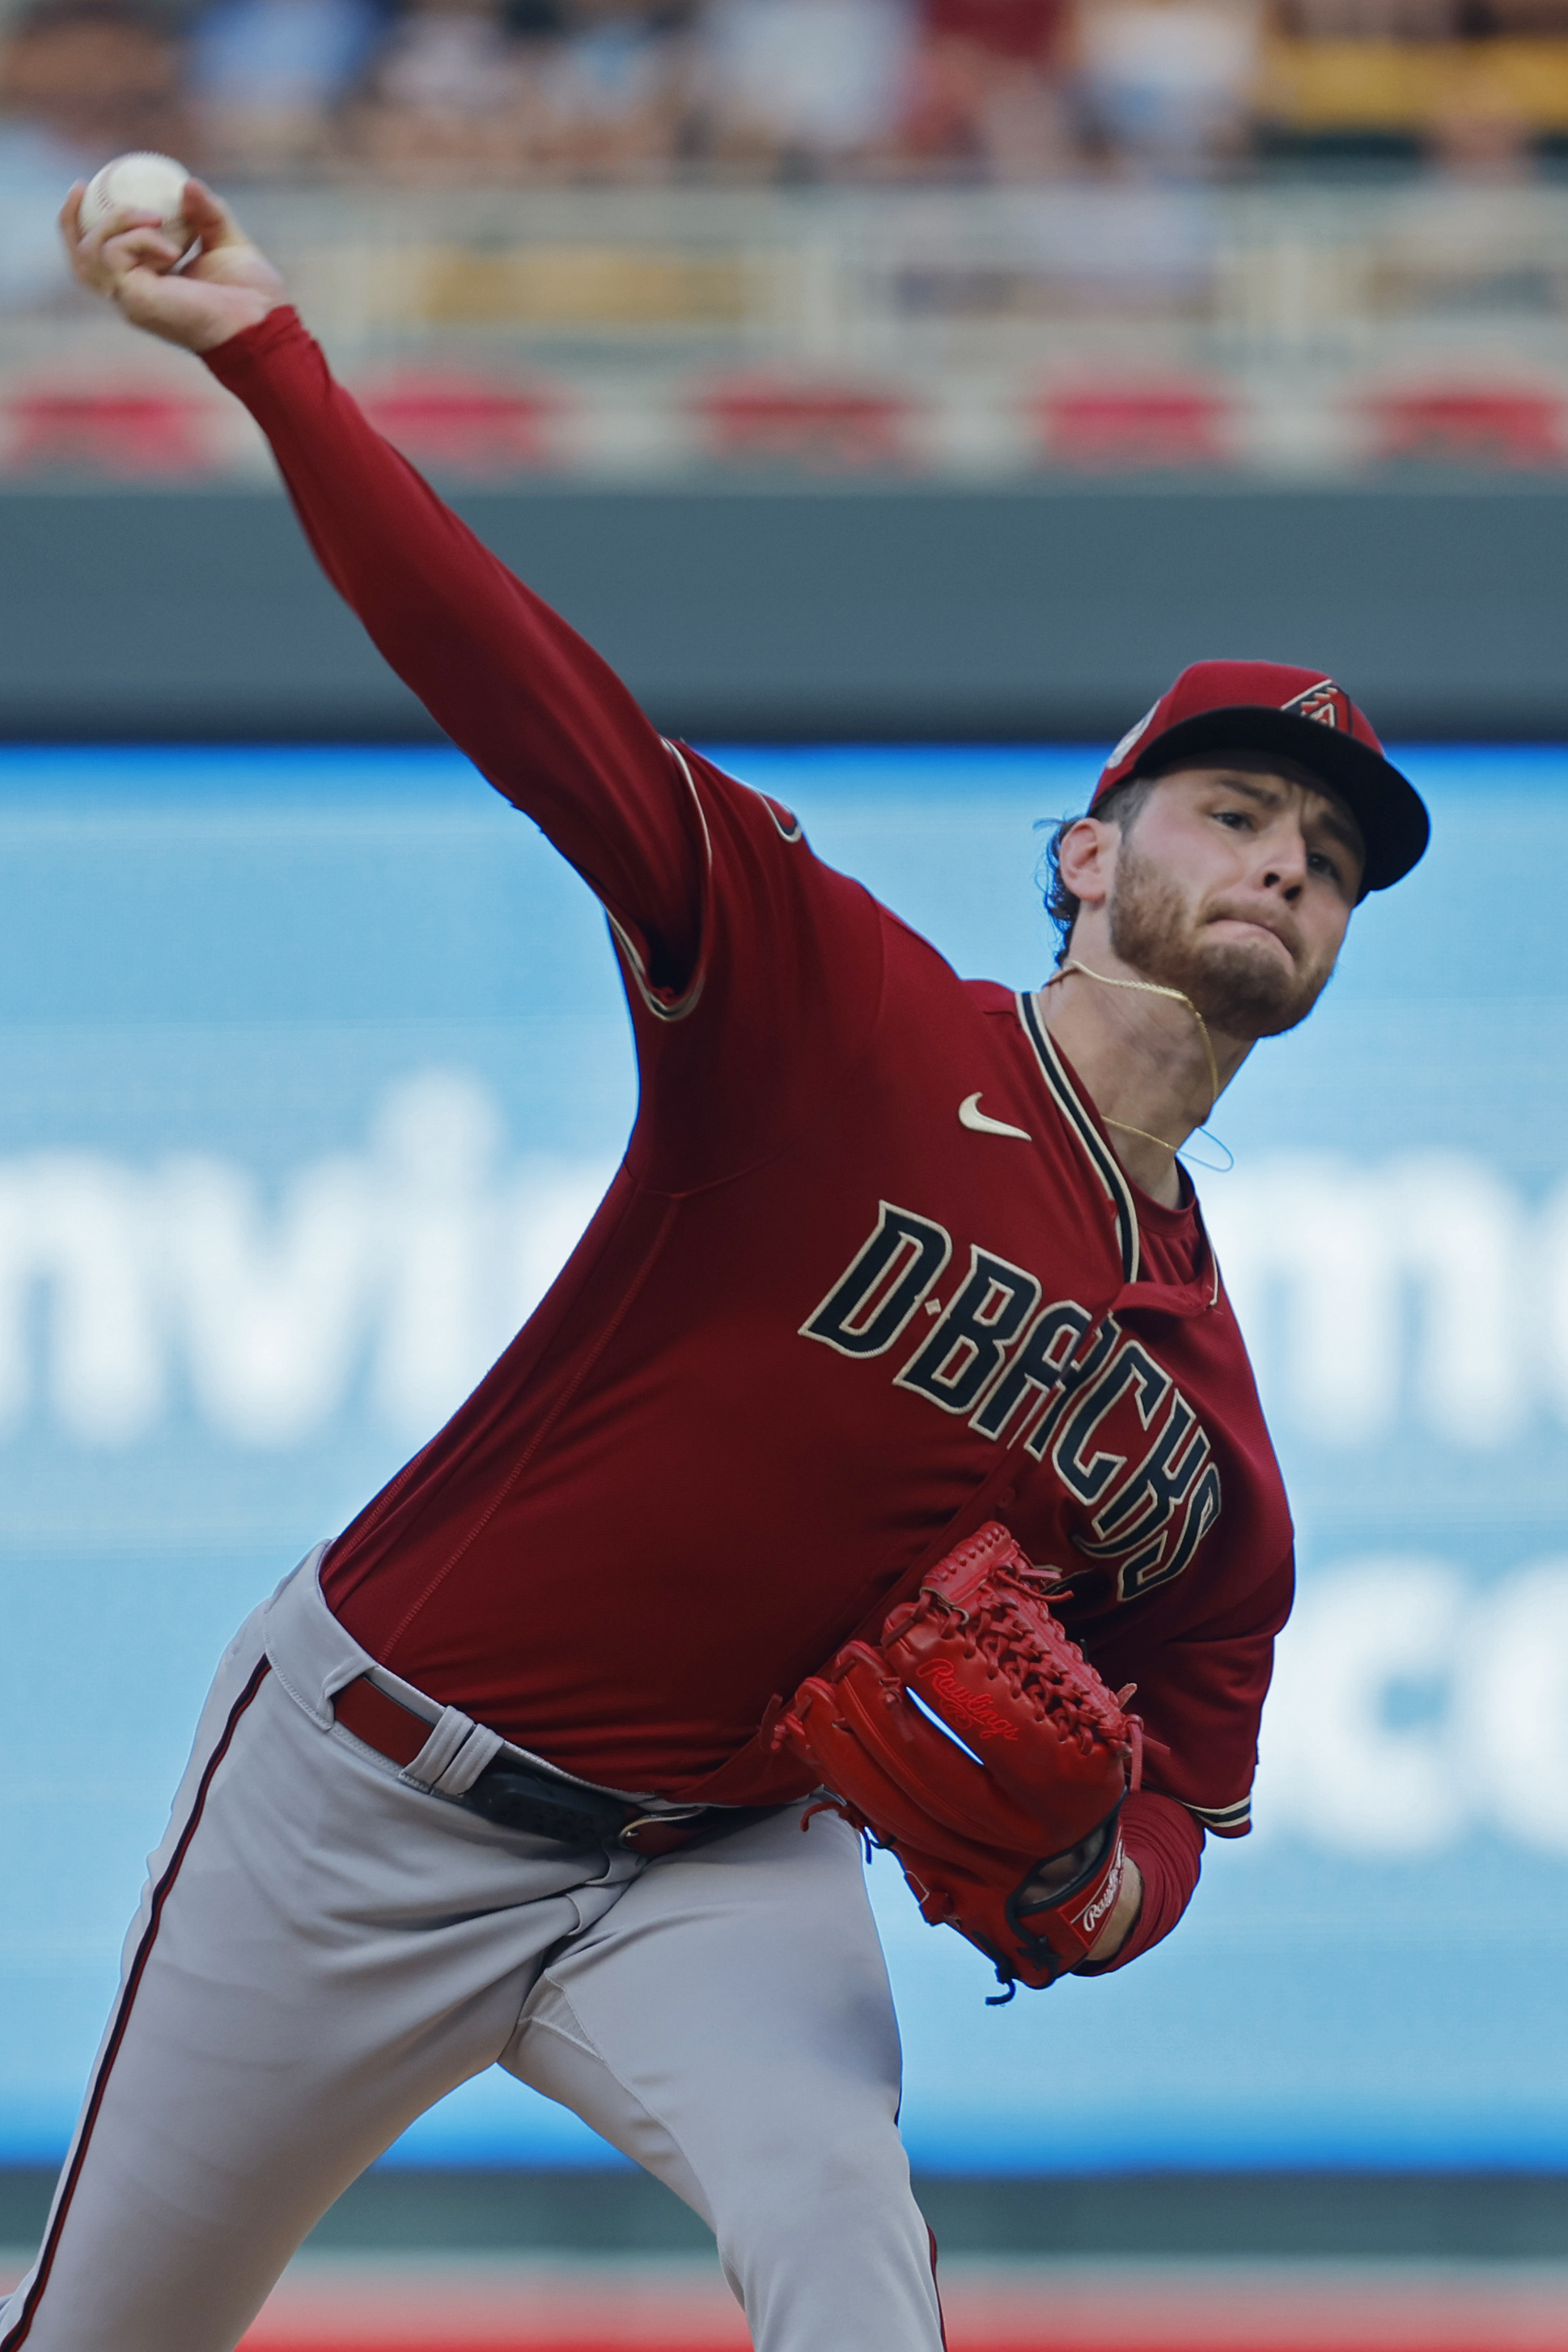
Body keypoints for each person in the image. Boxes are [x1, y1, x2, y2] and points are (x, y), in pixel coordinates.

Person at [8, 179, 1430, 2352]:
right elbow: (533, 696)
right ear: (1085, 854)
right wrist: (269, 361)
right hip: (369, 1783)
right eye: (1233, 810)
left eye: (1326, 860)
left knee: (846, 2244)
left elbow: (1177, 1798)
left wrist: (1076, 1879)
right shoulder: (832, 1006)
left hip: (711, 1858)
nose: (1282, 863)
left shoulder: (1200, 1438)